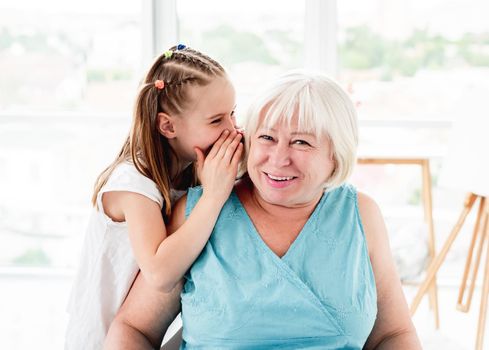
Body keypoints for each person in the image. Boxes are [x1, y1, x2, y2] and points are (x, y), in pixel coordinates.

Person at [105, 71, 422, 349]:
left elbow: (392, 333)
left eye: (301, 143)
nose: (278, 158)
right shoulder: (197, 213)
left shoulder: (361, 214)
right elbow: (134, 329)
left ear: (335, 156)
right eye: (267, 138)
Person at [65, 45, 243, 349]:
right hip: (101, 339)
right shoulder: (134, 184)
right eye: (217, 121)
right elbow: (160, 273)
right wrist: (213, 197)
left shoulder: (187, 171)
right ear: (168, 126)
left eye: (233, 114)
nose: (233, 129)